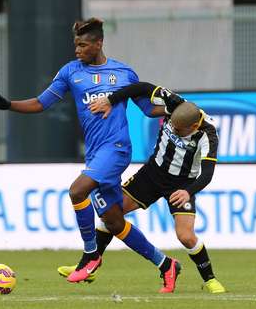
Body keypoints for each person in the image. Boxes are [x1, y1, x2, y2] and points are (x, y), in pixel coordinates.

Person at [0, 18, 181, 291]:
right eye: (75, 45)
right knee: (114, 221)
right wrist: (6, 105)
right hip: (95, 154)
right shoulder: (70, 72)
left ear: (99, 44)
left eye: (83, 45)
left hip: (117, 149)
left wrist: (174, 108)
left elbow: (148, 109)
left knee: (77, 191)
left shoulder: (123, 73)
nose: (77, 50)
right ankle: (166, 264)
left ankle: (90, 256)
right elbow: (41, 103)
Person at [58, 82, 226, 293]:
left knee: (185, 235)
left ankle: (210, 279)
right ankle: (89, 265)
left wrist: (188, 191)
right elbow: (140, 87)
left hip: (182, 184)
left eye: (178, 130)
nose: (172, 129)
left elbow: (208, 174)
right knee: (111, 214)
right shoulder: (175, 103)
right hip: (152, 174)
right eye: (171, 125)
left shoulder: (207, 134)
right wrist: (112, 99)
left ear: (193, 127)